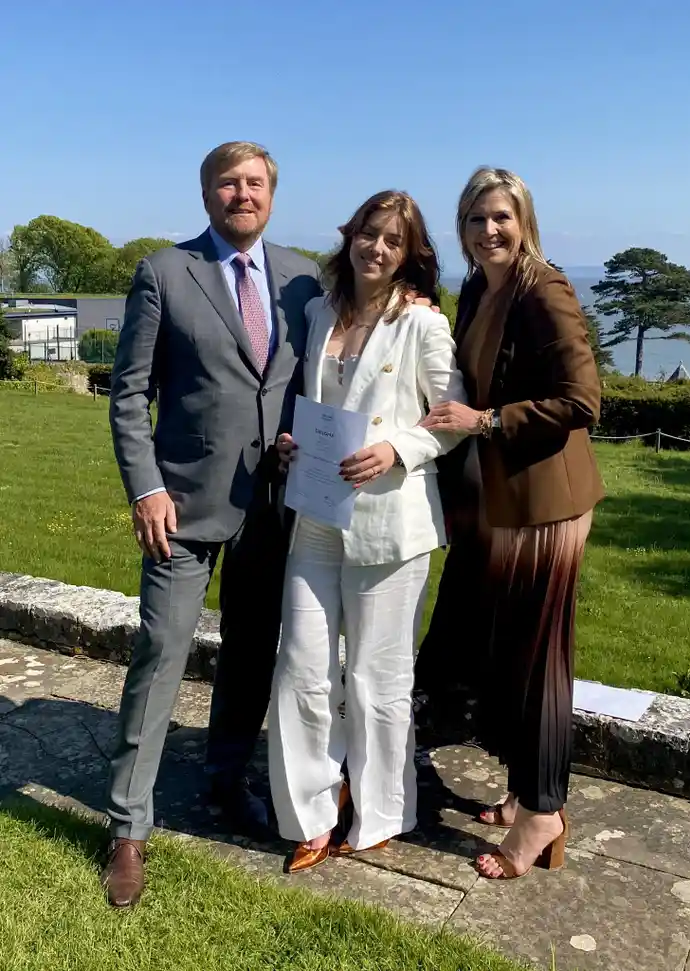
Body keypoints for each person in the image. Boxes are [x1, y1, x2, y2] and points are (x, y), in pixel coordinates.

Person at [103, 141, 322, 907]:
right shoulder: (165, 272)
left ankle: (227, 780)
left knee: (252, 653)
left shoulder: (303, 278)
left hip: (272, 505)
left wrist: (301, 439)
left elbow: (315, 378)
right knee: (161, 653)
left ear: (272, 194)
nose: (243, 193)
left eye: (255, 182)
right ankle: (128, 825)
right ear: (206, 195)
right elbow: (129, 395)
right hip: (182, 506)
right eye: (228, 183)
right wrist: (146, 489)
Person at [269, 190, 466, 872]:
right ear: (348, 235)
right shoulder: (318, 311)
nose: (376, 248)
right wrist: (291, 445)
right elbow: (312, 404)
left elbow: (451, 415)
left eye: (392, 240)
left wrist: (397, 449)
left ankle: (381, 809)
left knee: (379, 679)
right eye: (368, 233)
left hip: (391, 521)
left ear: (410, 254)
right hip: (317, 510)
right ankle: (311, 813)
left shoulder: (422, 323)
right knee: (300, 666)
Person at [416, 167, 604, 880]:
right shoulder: (478, 291)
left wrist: (488, 421)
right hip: (496, 505)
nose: (489, 230)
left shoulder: (543, 290)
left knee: (539, 664)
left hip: (545, 505)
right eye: (476, 218)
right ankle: (525, 791)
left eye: (501, 216)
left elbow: (582, 399)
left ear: (524, 220)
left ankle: (543, 813)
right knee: (502, 656)